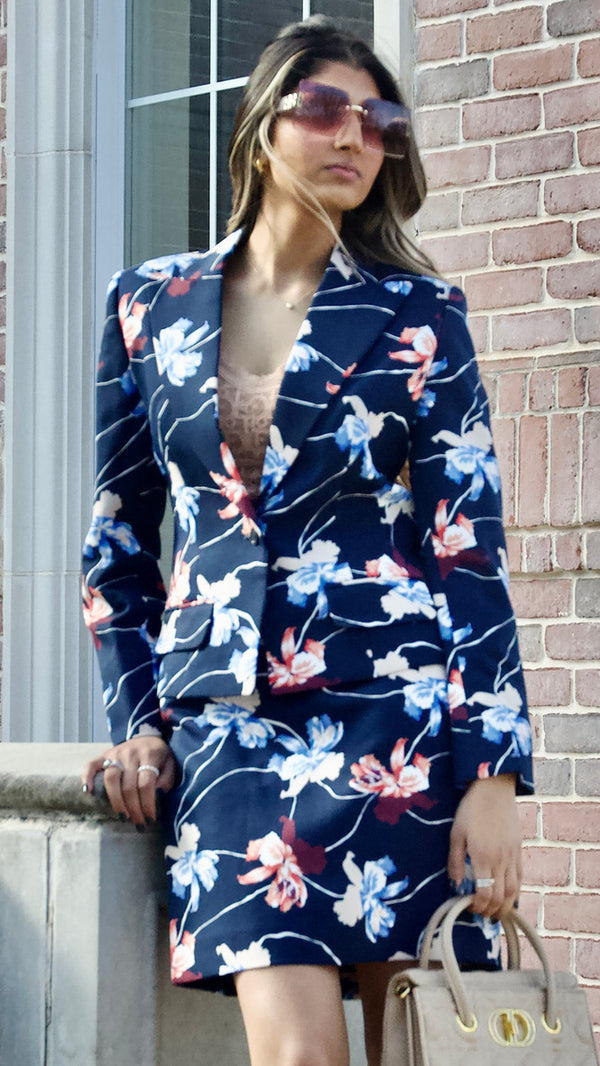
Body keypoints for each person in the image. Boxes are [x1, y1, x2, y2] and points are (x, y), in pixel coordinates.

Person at [82, 16, 533, 1066]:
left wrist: (494, 775)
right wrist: (137, 718)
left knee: (421, 1050)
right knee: (299, 1057)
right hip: (230, 734)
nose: (354, 138)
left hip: (401, 723)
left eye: (380, 122)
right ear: (259, 129)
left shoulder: (421, 314)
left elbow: (468, 549)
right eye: (326, 109)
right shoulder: (150, 306)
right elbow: (118, 536)